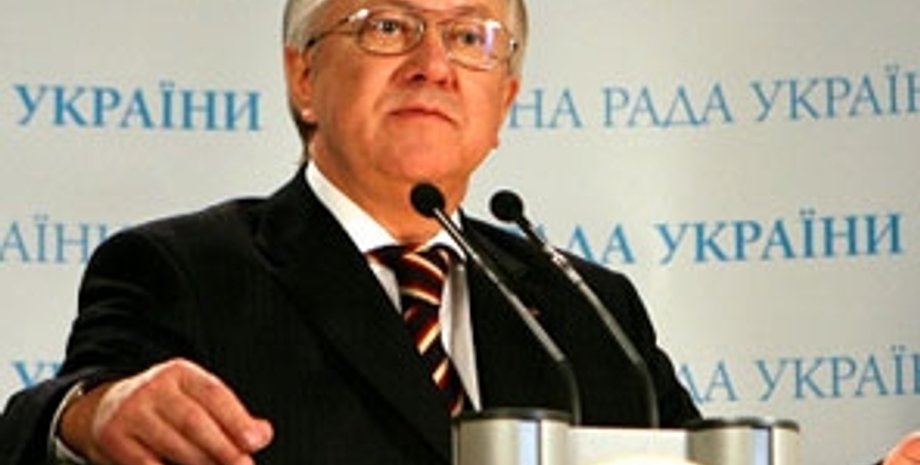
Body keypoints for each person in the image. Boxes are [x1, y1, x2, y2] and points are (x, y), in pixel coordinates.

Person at [0, 0, 701, 464]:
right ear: (304, 76)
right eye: (388, 26)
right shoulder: (183, 271)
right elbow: (52, 423)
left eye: (468, 37)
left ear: (504, 103)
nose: (434, 66)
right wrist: (87, 417)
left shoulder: (592, 309)